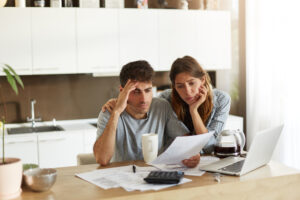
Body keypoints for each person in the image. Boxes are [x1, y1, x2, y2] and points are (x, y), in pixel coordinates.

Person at [102, 56, 231, 155]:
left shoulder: (222, 100)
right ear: (174, 86)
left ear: (202, 80)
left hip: (202, 162)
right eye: (180, 86)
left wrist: (194, 111)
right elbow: (142, 105)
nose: (187, 91)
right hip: (177, 162)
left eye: (191, 83)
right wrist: (118, 104)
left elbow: (209, 147)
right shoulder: (166, 99)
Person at [94, 60, 200, 167]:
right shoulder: (110, 112)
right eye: (136, 92)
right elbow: (102, 159)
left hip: (156, 175)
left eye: (148, 90)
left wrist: (192, 154)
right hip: (121, 177)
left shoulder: (162, 107)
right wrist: (116, 113)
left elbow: (186, 140)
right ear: (122, 91)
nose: (144, 99)